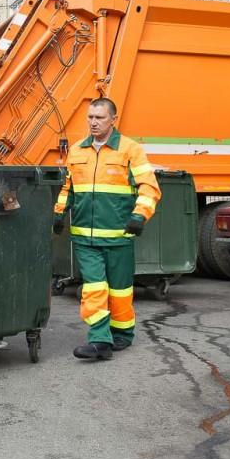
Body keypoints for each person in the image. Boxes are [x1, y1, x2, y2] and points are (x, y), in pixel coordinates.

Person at [54, 98, 162, 361]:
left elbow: (149, 187)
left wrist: (140, 215)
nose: (93, 122)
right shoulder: (78, 150)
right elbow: (69, 187)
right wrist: (58, 213)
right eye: (90, 117)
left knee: (120, 290)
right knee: (94, 287)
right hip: (84, 238)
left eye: (99, 118)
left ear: (113, 119)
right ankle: (100, 341)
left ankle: (123, 333)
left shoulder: (130, 150)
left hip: (118, 237)